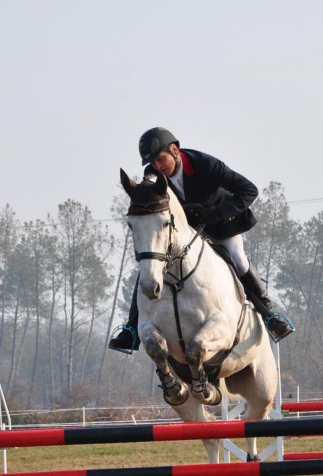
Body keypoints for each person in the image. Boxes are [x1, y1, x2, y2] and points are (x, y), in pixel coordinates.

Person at [109, 127, 295, 353]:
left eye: (160, 159)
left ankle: (269, 314)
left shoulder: (206, 165)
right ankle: (131, 331)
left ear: (175, 150)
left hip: (221, 223)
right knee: (151, 265)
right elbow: (148, 194)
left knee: (238, 258)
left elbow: (249, 190)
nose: (157, 166)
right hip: (187, 230)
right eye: (153, 163)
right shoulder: (153, 173)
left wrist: (215, 213)